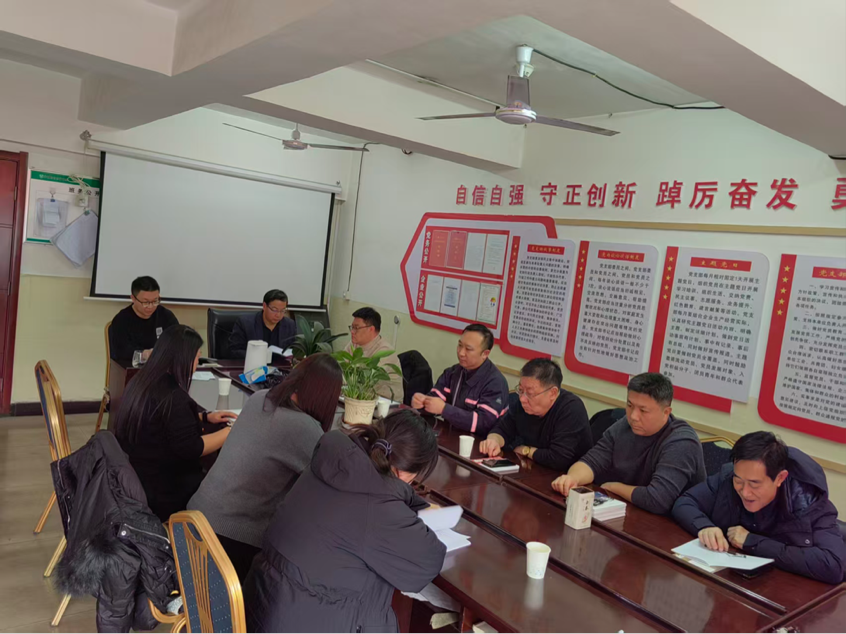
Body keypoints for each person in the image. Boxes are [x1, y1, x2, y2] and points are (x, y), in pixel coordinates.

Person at [244, 410, 446, 633]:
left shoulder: (333, 461)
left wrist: (403, 498)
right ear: (406, 472)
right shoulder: (377, 506)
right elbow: (428, 562)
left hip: (260, 610)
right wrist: (403, 501)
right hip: (306, 621)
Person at [188, 353, 343, 582]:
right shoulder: (304, 428)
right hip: (228, 542)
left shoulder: (260, 397)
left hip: (192, 521)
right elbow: (335, 483)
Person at [673, 431, 846, 584]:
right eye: (739, 481)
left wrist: (752, 542)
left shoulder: (809, 501)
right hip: (728, 582)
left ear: (780, 478)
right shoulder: (727, 478)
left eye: (754, 484)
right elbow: (685, 502)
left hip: (786, 596)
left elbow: (833, 565)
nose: (745, 492)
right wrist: (705, 526)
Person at [113, 325, 237, 522]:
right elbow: (192, 448)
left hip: (135, 475)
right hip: (162, 491)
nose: (197, 363)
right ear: (183, 359)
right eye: (197, 357)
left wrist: (204, 417)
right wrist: (231, 431)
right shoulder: (173, 398)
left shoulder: (142, 380)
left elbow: (159, 420)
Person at [551, 372, 706, 515]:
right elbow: (592, 461)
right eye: (630, 405)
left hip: (668, 525)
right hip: (629, 510)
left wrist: (613, 487)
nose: (633, 416)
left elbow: (657, 500)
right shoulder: (626, 424)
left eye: (643, 411)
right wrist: (572, 478)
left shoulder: (682, 442)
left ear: (666, 412)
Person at [479, 358, 592, 471]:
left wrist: (527, 450)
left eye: (530, 393)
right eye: (521, 390)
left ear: (552, 393)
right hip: (533, 469)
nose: (522, 399)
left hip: (565, 476)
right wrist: (493, 440)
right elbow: (503, 429)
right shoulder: (524, 404)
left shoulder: (571, 409)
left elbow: (558, 458)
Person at [411, 323, 508, 436]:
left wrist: (444, 409)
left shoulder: (495, 382)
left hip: (480, 442)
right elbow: (435, 399)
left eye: (468, 349)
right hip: (451, 437)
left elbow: (483, 422)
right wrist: (422, 402)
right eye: (460, 345)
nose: (461, 353)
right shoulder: (452, 373)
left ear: (485, 354)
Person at [108, 276, 178, 362]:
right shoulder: (121, 319)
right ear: (133, 298)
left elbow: (178, 342)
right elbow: (120, 351)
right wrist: (143, 354)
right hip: (130, 367)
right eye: (146, 302)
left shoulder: (166, 316)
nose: (150, 306)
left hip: (160, 365)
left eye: (155, 301)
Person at [344, 307, 404, 402]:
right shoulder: (354, 344)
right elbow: (340, 368)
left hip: (386, 404)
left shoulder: (385, 351)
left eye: (356, 328)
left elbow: (367, 382)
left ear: (371, 329)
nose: (352, 331)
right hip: (361, 398)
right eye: (352, 327)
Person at [228, 289, 297, 359]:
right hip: (253, 364)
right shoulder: (245, 323)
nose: (278, 315)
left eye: (282, 310)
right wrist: (259, 355)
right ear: (264, 306)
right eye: (274, 310)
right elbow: (234, 351)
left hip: (279, 365)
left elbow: (293, 350)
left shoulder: (289, 325)